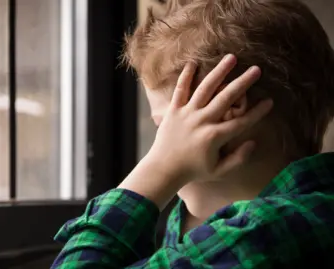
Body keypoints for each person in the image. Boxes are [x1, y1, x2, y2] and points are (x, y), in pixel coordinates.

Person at [51, 0, 334, 268]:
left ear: (227, 107)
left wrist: (159, 169)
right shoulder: (306, 209)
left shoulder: (263, 231)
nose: (162, 146)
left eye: (166, 128)